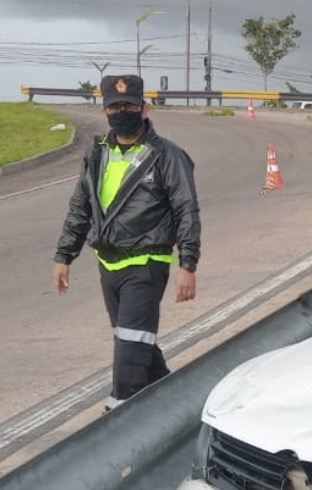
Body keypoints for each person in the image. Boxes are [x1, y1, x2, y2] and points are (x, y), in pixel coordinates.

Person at [52, 73, 201, 412]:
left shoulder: (166, 156)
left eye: (129, 105)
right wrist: (64, 255)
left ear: (143, 109)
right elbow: (81, 207)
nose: (122, 111)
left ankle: (115, 421)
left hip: (147, 263)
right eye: (115, 106)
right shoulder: (97, 155)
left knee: (130, 350)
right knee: (136, 344)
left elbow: (186, 210)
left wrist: (187, 265)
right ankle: (178, 407)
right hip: (109, 265)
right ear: (104, 111)